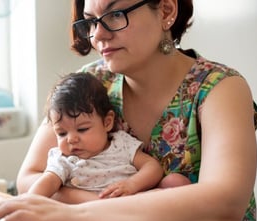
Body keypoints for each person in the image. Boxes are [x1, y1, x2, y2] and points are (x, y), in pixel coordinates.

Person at [0, 0, 257, 221]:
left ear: (166, 11)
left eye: (115, 15)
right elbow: (29, 178)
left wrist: (75, 216)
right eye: (91, 21)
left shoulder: (221, 88)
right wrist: (101, 203)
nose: (98, 35)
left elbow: (224, 203)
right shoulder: (91, 82)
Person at [28, 72, 182, 198]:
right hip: (95, 213)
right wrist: (28, 202)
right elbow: (45, 184)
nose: (71, 139)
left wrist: (132, 184)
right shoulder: (64, 160)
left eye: (82, 129)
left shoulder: (120, 143)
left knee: (175, 182)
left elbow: (152, 167)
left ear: (107, 122)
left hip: (136, 202)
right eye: (61, 133)